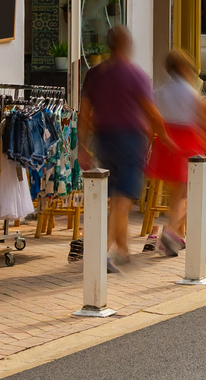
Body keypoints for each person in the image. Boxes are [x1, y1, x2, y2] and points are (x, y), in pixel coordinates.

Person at [79, 26, 167, 273]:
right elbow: (151, 112)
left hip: (104, 140)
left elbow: (84, 114)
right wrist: (165, 137)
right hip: (130, 139)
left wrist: (82, 146)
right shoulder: (135, 74)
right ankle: (100, 253)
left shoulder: (94, 75)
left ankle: (123, 250)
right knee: (123, 200)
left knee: (117, 195)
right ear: (127, 45)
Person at [145, 51, 206, 258]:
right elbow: (205, 123)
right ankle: (172, 232)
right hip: (188, 141)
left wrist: (147, 146)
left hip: (165, 141)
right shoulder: (192, 94)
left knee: (175, 193)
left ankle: (179, 238)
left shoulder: (159, 92)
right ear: (184, 68)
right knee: (185, 194)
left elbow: (151, 122)